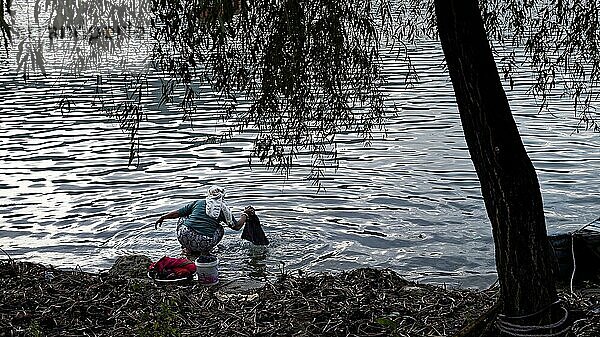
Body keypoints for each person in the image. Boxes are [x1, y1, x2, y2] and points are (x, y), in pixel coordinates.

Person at [155, 185, 254, 256]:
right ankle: (205, 252)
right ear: (222, 196)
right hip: (204, 243)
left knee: (184, 216)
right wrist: (245, 214)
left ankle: (188, 249)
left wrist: (163, 217)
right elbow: (236, 226)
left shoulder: (198, 202)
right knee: (220, 228)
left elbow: (176, 213)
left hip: (184, 237)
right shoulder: (223, 209)